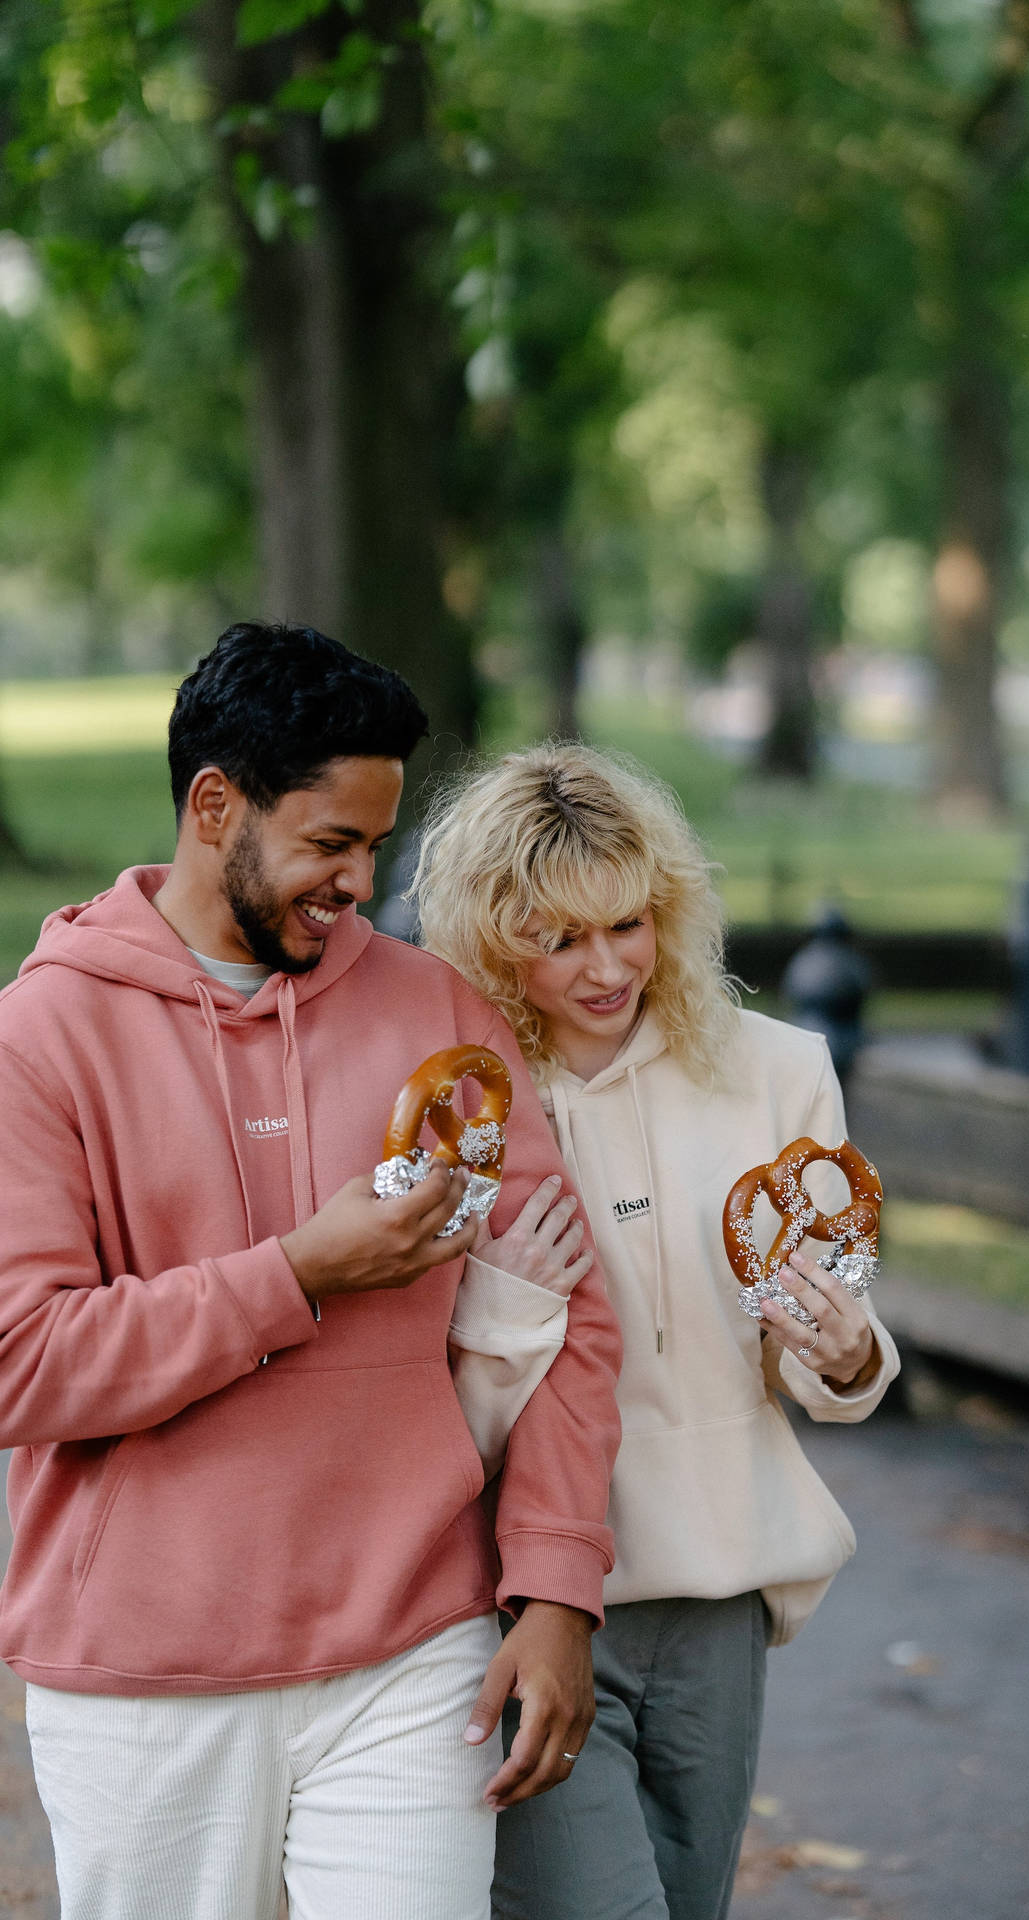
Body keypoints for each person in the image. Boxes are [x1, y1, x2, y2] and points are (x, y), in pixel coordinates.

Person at [0, 625, 622, 1920]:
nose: (360, 880)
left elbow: (571, 1306)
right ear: (214, 804)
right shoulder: (42, 1036)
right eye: (331, 843)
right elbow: (26, 1362)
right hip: (144, 1672)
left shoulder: (432, 1009)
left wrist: (557, 1586)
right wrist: (297, 1274)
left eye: (377, 845)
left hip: (412, 1647)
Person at [412, 741, 901, 1920]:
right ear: (490, 941)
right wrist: (505, 1315)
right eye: (557, 937)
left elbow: (823, 1341)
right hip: (521, 1595)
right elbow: (423, 1407)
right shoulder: (460, 1109)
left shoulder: (777, 1074)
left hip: (719, 1584)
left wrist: (843, 1355)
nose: (604, 967)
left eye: (627, 924)